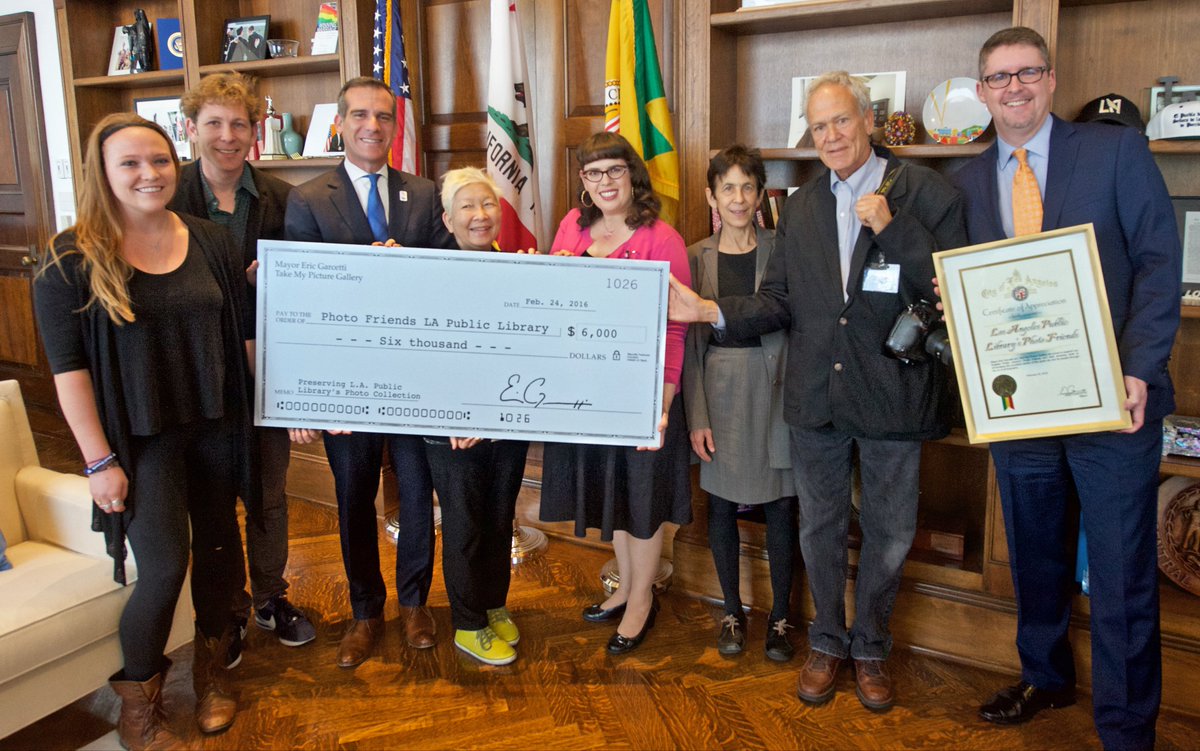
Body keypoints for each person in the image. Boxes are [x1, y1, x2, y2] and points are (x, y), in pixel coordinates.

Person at [668, 71, 966, 711]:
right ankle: (827, 642)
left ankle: (872, 647)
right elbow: (779, 300)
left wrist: (895, 229)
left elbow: (953, 285)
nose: (830, 136)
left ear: (869, 120)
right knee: (821, 528)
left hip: (894, 394)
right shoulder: (800, 205)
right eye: (818, 126)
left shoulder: (925, 192)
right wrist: (711, 311)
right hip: (816, 397)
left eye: (841, 121)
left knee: (889, 532)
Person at [955, 27, 1180, 750]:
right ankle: (1045, 676)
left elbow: (1159, 263)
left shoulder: (1115, 152)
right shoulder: (966, 181)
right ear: (982, 92)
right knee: (1035, 555)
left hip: (1115, 404)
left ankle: (1126, 727)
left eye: (1027, 72)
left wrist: (1138, 368)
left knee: (1120, 571)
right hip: (1021, 407)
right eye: (999, 78)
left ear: (1051, 80)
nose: (1014, 88)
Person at [33, 113, 256, 747]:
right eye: (129, 163)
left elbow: (242, 335)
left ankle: (212, 676)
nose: (149, 174)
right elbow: (69, 373)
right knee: (162, 567)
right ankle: (138, 705)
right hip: (141, 440)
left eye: (159, 160)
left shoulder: (211, 240)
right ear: (101, 173)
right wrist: (99, 463)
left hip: (216, 426)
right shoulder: (69, 258)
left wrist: (290, 400)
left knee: (220, 555)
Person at [284, 76, 454, 669]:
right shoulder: (308, 199)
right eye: (360, 115)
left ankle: (414, 604)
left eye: (383, 116)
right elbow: (301, 301)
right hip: (345, 383)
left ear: (394, 125)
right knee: (354, 495)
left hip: (413, 380)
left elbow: (448, 278)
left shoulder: (424, 194)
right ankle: (364, 612)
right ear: (340, 123)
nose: (372, 126)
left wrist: (408, 268)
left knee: (417, 494)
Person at [171, 72, 316, 658]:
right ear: (191, 129)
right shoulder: (168, 196)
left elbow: (307, 294)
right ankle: (225, 610)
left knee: (269, 495)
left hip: (266, 372)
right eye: (214, 123)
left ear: (256, 131)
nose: (227, 136)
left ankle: (270, 598)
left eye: (239, 124)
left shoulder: (284, 198)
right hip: (195, 375)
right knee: (211, 501)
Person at [538, 132, 692, 655]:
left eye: (614, 170)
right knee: (616, 494)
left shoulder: (662, 239)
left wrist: (662, 405)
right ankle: (625, 587)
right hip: (586, 389)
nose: (604, 181)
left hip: (642, 391)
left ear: (633, 175)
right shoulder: (572, 226)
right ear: (583, 180)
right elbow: (552, 300)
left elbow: (676, 329)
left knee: (642, 500)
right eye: (593, 172)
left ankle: (643, 600)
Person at [681, 145, 797, 660]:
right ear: (712, 196)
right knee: (722, 505)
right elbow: (689, 347)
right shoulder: (694, 256)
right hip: (719, 389)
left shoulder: (783, 248)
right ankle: (732, 610)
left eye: (748, 187)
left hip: (776, 389)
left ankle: (781, 616)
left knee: (782, 504)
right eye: (727, 187)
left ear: (761, 194)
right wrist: (697, 417)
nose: (738, 198)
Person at [423, 167, 529, 666]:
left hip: (507, 424)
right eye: (467, 206)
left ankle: (492, 603)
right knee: (464, 524)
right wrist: (456, 414)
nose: (480, 215)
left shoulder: (518, 269)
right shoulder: (429, 273)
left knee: (499, 517)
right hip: (453, 431)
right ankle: (467, 624)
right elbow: (424, 353)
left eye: (487, 204)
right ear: (448, 219)